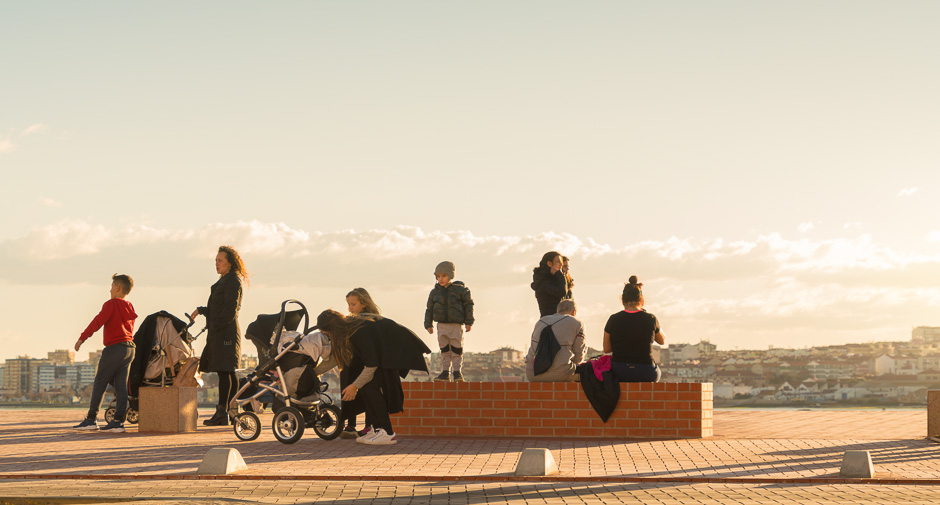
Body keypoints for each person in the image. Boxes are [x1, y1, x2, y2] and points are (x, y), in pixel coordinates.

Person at [317, 309, 431, 446]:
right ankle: (377, 429)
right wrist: (313, 371)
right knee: (366, 386)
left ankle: (387, 433)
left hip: (394, 350)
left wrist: (354, 386)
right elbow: (335, 358)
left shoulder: (358, 332)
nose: (328, 336)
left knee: (370, 386)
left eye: (327, 333)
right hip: (383, 353)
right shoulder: (348, 329)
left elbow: (371, 365)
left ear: (333, 329)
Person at [72, 274, 138, 433]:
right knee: (121, 386)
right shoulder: (129, 306)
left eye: (111, 287)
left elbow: (97, 322)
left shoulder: (111, 304)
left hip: (114, 348)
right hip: (129, 349)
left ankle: (91, 419)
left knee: (100, 383)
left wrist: (81, 339)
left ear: (117, 287)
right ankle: (118, 422)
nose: (110, 290)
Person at [191, 245, 247, 426]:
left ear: (230, 263)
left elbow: (231, 309)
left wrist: (214, 325)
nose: (216, 263)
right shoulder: (225, 280)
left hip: (225, 332)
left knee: (226, 371)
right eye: (215, 260)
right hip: (221, 331)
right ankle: (229, 411)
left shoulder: (233, 281)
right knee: (227, 371)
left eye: (220, 260)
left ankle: (223, 412)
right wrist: (202, 310)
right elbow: (218, 307)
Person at [603, 276, 666, 382]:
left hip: (620, 371)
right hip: (646, 371)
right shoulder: (650, 318)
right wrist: (654, 323)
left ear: (623, 301)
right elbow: (662, 340)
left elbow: (607, 348)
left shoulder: (613, 319)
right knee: (657, 373)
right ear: (642, 300)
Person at [340, 287, 382, 439]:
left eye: (353, 304)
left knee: (367, 393)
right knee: (347, 390)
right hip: (350, 362)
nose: (350, 308)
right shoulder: (349, 321)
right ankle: (350, 424)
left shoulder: (373, 320)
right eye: (349, 304)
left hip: (366, 362)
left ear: (364, 303)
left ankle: (368, 426)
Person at [424, 261, 474, 382]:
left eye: (444, 276)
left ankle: (457, 372)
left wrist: (469, 322)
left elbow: (468, 305)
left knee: (457, 349)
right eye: (438, 276)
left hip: (455, 325)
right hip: (441, 325)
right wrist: (428, 324)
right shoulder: (434, 292)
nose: (440, 279)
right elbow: (429, 309)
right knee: (444, 350)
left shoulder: (460, 290)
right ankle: (445, 372)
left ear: (450, 276)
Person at [525, 299, 585, 382]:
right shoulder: (577, 323)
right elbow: (579, 352)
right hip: (561, 374)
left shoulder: (540, 321)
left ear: (558, 311)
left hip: (532, 374)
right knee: (590, 373)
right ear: (574, 312)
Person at [531, 251, 568, 317]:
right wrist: (559, 275)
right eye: (558, 262)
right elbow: (562, 292)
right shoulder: (543, 281)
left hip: (556, 318)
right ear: (549, 263)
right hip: (551, 319)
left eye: (561, 263)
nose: (561, 265)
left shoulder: (552, 278)